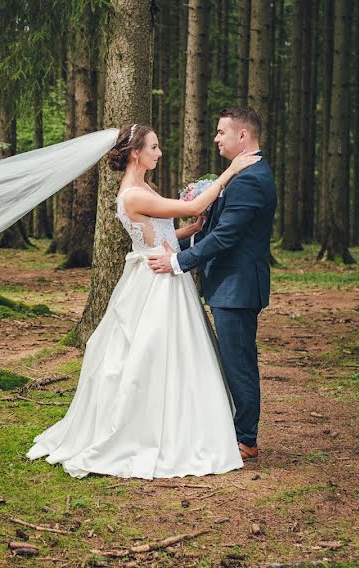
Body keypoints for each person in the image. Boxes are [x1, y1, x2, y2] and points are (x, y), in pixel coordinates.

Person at [26, 123, 260, 479]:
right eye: (153, 147)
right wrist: (230, 171)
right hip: (157, 281)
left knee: (180, 352)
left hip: (164, 270)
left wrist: (192, 230)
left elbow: (161, 235)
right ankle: (154, 430)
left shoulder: (144, 188)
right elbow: (195, 203)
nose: (159, 153)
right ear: (136, 153)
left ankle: (190, 422)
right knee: (154, 353)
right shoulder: (132, 194)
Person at [148, 108, 277, 462]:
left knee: (239, 362)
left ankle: (246, 439)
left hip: (238, 287)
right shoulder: (241, 175)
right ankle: (233, 430)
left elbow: (225, 237)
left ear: (243, 137)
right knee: (230, 361)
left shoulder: (251, 179)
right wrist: (183, 243)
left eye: (222, 132)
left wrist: (178, 263)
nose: (217, 138)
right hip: (227, 284)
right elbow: (212, 230)